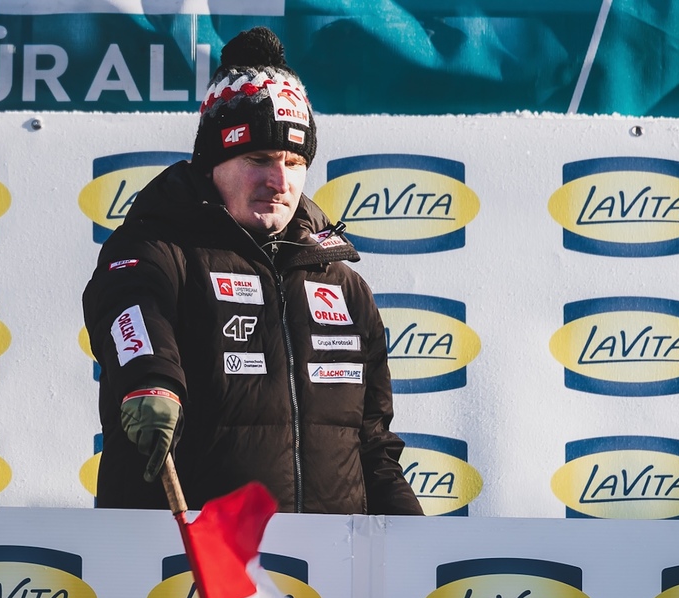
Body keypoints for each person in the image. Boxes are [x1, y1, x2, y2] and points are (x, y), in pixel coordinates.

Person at [82, 26, 423, 515]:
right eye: (259, 159)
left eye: (294, 161)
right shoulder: (157, 250)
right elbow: (132, 308)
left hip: (326, 559)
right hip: (184, 554)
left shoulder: (342, 284)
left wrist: (419, 541)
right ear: (213, 163)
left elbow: (372, 449)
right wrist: (152, 383)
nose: (280, 180)